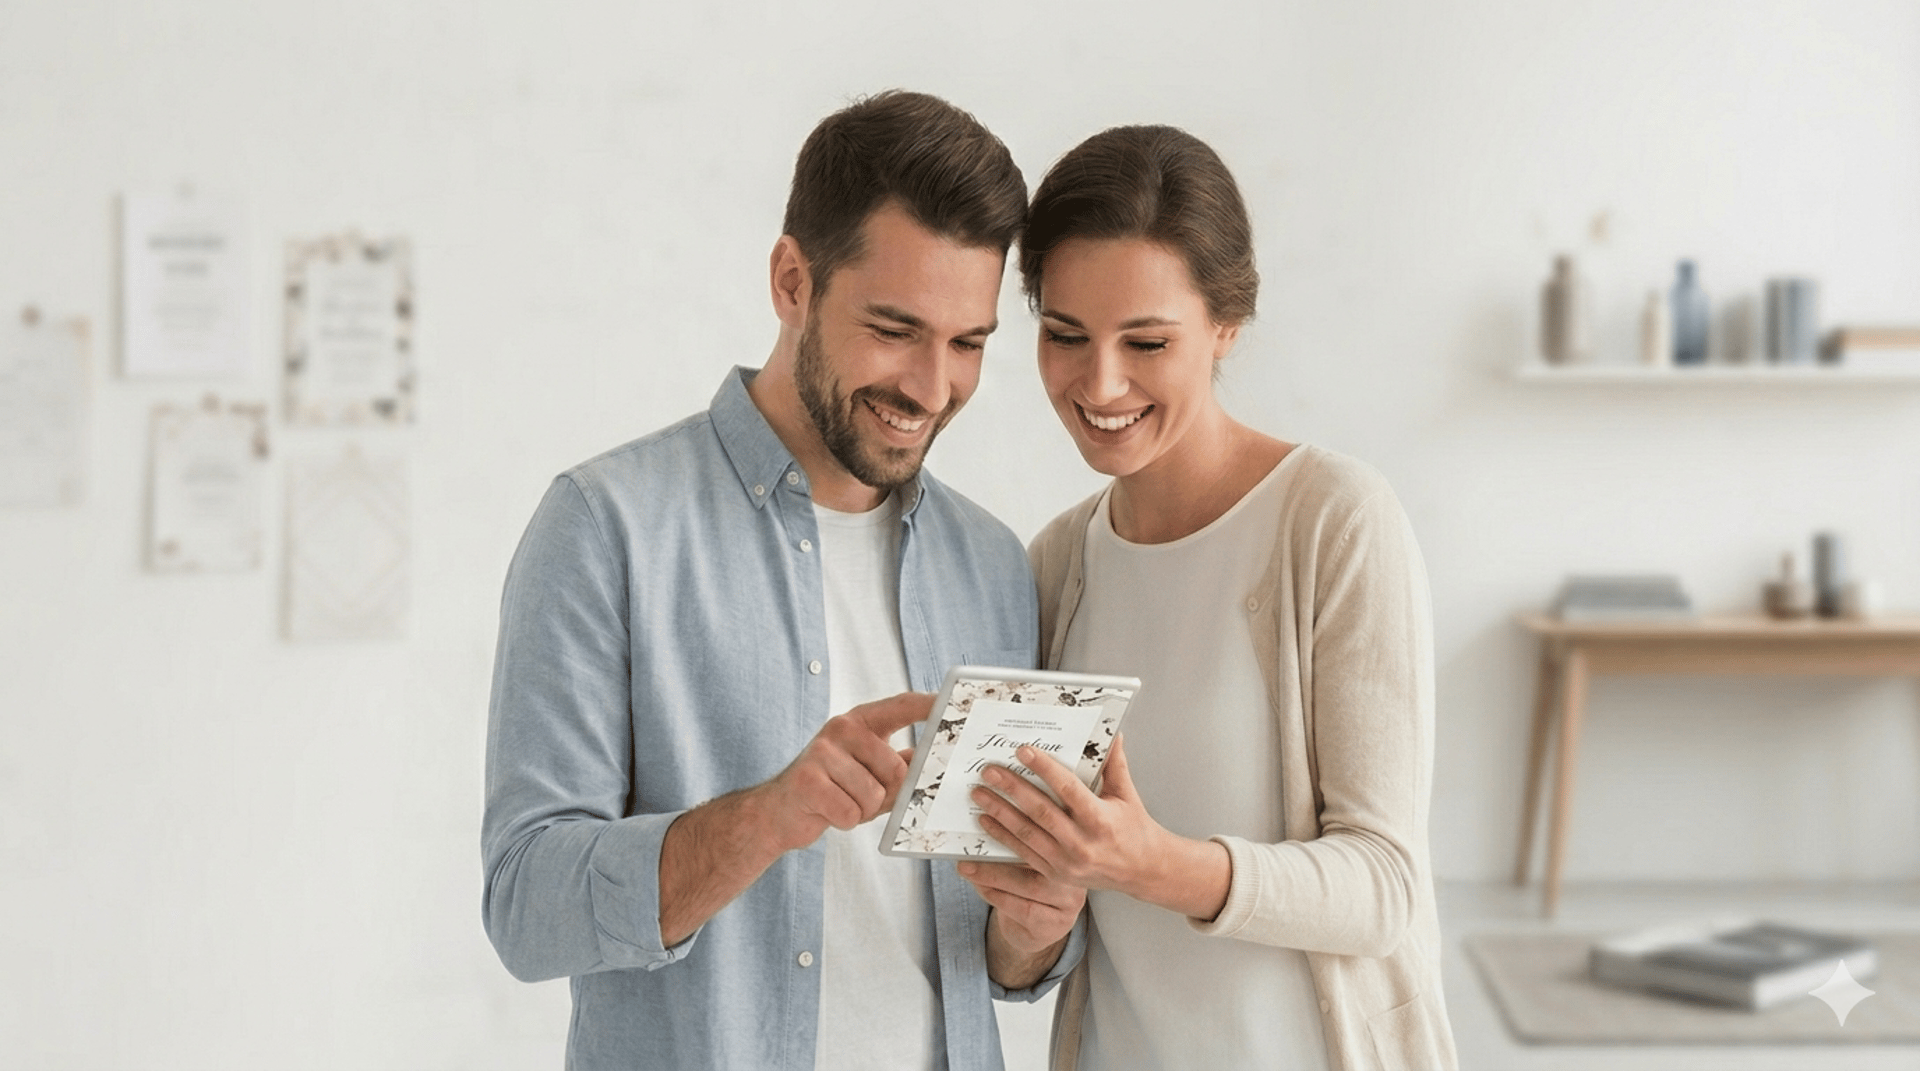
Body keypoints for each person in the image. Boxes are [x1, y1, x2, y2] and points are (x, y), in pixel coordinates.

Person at [481, 90, 1084, 1070]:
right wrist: (769, 817)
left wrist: (1040, 922)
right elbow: (526, 908)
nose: (933, 388)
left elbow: (997, 959)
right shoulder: (606, 528)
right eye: (895, 328)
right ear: (792, 280)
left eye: (968, 343)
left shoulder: (991, 567)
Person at [959, 126, 1458, 1070]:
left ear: (1227, 326)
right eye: (1065, 336)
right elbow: (1027, 955)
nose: (1099, 384)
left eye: (1147, 341)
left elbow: (1384, 884)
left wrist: (1147, 862)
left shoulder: (1332, 522)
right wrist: (1033, 924)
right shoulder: (1055, 566)